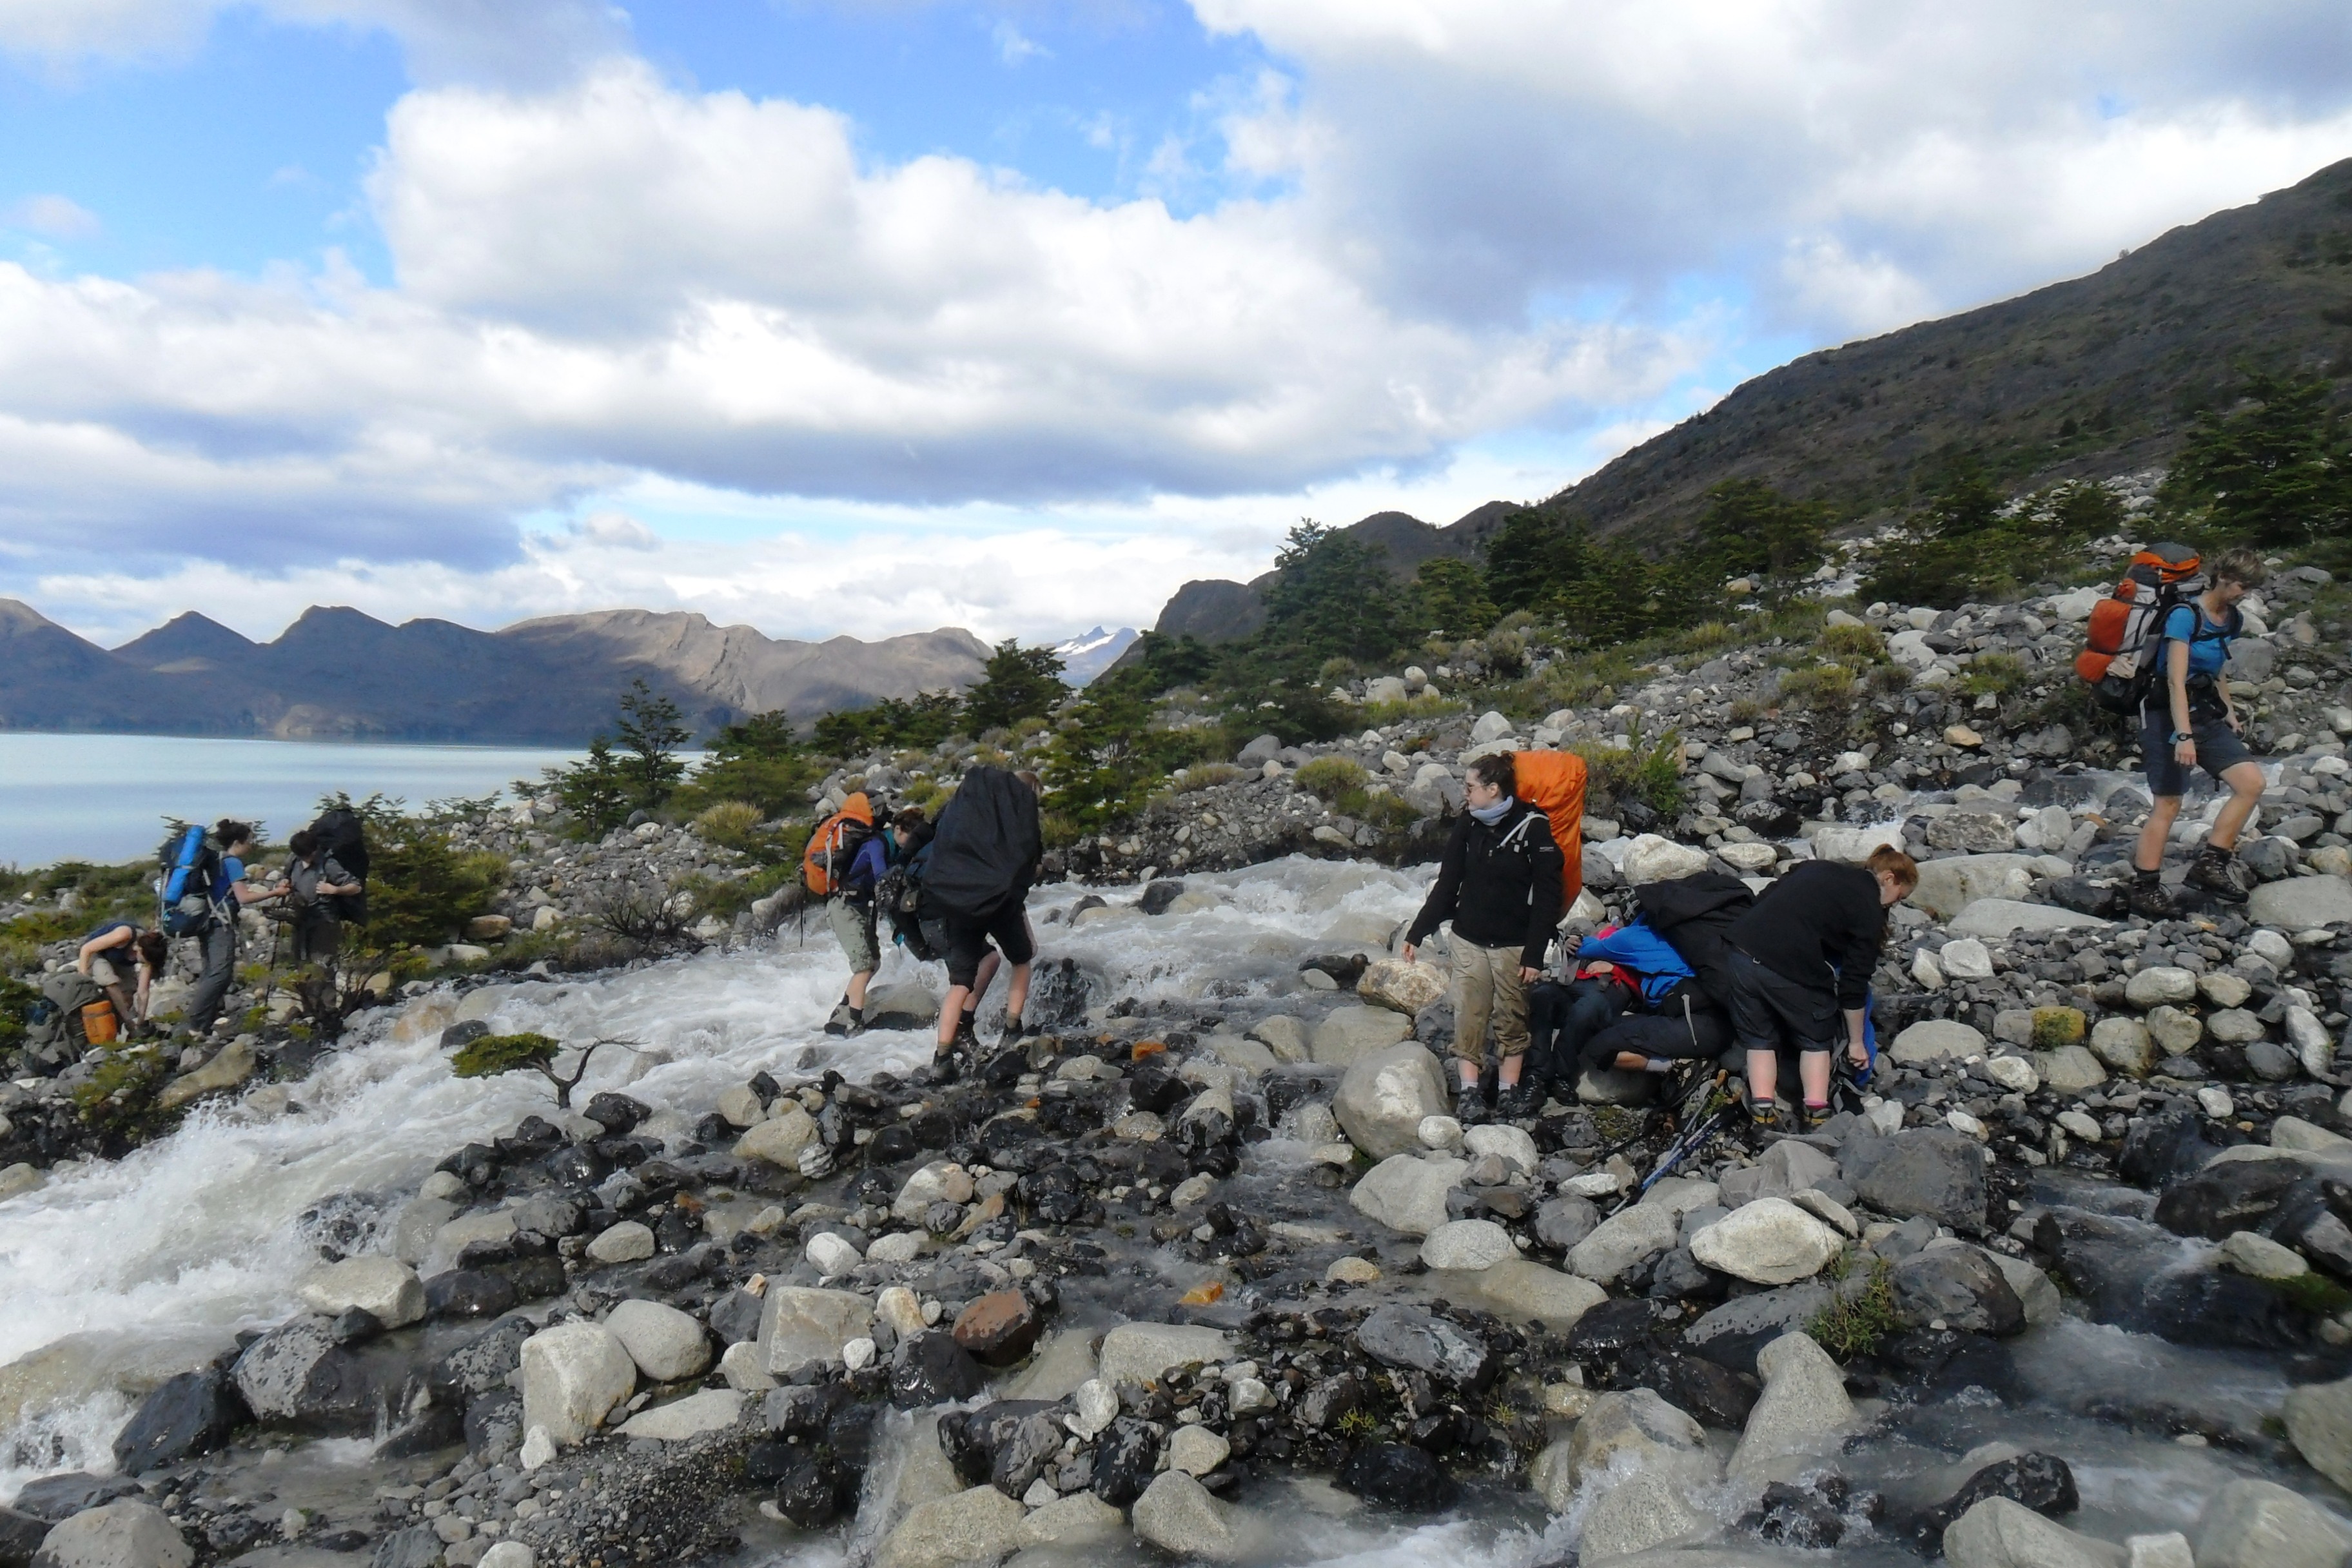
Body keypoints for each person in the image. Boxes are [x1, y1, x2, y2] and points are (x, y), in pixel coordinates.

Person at [1402, 752, 1564, 1123]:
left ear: (1494, 789)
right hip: (1468, 938)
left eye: (1471, 787)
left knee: (1512, 1017)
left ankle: (1507, 1092)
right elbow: (1448, 883)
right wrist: (1418, 930)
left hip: (1515, 943)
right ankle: (1470, 1093)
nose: (1466, 793)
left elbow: (1547, 897)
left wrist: (1534, 955)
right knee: (1470, 1015)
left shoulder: (1534, 826)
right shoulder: (1468, 822)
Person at [1725, 846, 1916, 1131]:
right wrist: (1855, 1043)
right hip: (1784, 965)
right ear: (1889, 878)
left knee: (1759, 1037)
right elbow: (1854, 984)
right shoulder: (1869, 909)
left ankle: (1762, 1114)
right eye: (1899, 898)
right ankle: (1816, 1115)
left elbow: (1766, 897)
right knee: (1815, 1035)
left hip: (1739, 952)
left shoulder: (1818, 867)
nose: (1893, 905)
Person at [2129, 548, 2270, 917]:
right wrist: (2185, 737)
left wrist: (2230, 712)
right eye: (2243, 585)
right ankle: (2144, 889)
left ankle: (2210, 865)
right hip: (2165, 715)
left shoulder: (2231, 618)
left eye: (2251, 588)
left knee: (2251, 783)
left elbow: (2217, 667)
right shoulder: (2184, 615)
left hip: (2205, 712)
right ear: (2223, 578)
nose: (2245, 593)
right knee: (2169, 803)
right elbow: (2175, 681)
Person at [919, 767, 1043, 1066]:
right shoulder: (1017, 823)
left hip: (957, 904)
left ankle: (942, 1058)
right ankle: (1012, 1029)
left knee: (960, 982)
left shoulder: (968, 814)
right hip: (1000, 905)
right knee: (1021, 958)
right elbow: (1026, 870)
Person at [182, 819, 288, 1038]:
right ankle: (195, 1023)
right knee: (221, 973)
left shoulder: (215, 861)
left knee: (211, 971)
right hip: (220, 922)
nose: (252, 844)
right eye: (250, 840)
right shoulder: (232, 863)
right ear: (239, 842)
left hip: (205, 920)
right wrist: (275, 893)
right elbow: (244, 897)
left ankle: (202, 1025)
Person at [816, 792, 883, 1035]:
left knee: (872, 963)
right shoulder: (874, 843)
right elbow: (881, 875)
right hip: (846, 907)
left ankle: (842, 1008)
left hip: (848, 905)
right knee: (865, 967)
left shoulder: (859, 838)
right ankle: (854, 1023)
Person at [284, 827, 364, 964]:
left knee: (322, 962)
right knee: (300, 961)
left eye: (307, 855)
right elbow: (286, 877)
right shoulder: (294, 862)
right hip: (300, 919)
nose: (305, 859)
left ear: (315, 851)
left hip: (324, 921)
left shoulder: (329, 864)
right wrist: (285, 882)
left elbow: (356, 887)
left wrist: (335, 890)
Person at [75, 921, 168, 1036]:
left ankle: (127, 1027)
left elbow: (143, 991)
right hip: (95, 953)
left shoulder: (149, 951)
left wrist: (141, 1020)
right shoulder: (123, 934)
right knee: (110, 982)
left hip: (119, 960)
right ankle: (128, 1024)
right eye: (143, 960)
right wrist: (83, 978)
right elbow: (86, 949)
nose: (142, 963)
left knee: (128, 994)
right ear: (138, 949)